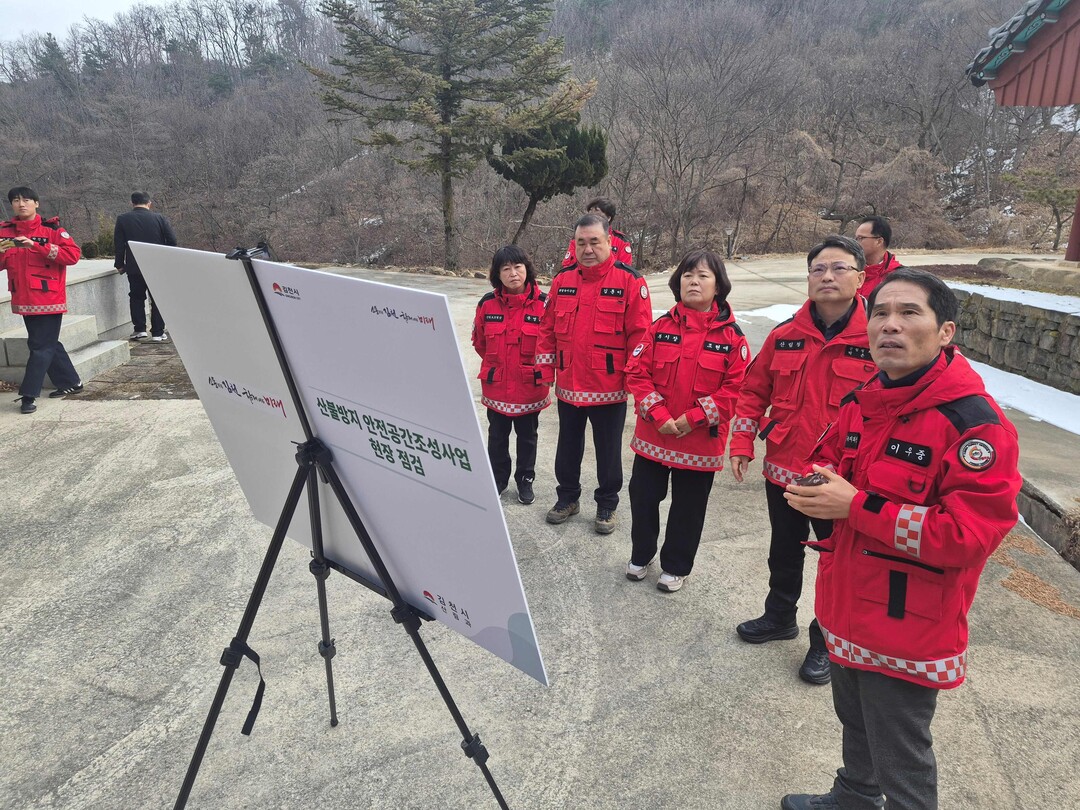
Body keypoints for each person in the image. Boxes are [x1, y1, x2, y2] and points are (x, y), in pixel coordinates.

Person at [780, 269, 1022, 810]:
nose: (890, 325)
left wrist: (857, 506)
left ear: (945, 333)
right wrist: (818, 481)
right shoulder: (865, 402)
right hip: (845, 603)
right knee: (856, 722)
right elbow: (837, 466)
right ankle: (855, 796)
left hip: (906, 623)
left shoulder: (975, 427)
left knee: (902, 754)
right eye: (881, 312)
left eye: (909, 313)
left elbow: (966, 537)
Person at [729, 235, 876, 684]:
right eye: (818, 269)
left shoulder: (879, 338)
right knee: (784, 551)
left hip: (842, 482)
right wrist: (741, 443)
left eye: (839, 268)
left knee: (837, 563)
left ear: (861, 276)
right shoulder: (785, 335)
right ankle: (779, 617)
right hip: (785, 469)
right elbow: (752, 393)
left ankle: (827, 641)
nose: (827, 277)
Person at [624, 249, 750, 592]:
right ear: (678, 283)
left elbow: (735, 390)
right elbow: (637, 373)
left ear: (718, 286)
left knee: (688, 509)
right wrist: (660, 414)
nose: (693, 281)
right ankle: (642, 553)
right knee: (643, 496)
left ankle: (676, 565)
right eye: (687, 275)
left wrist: (692, 419)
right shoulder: (659, 327)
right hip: (654, 434)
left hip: (699, 441)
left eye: (703, 276)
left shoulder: (733, 338)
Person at [536, 213, 652, 533]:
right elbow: (546, 329)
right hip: (569, 383)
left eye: (594, 242)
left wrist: (634, 379)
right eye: (581, 243)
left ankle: (606, 505)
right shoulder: (563, 280)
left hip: (609, 386)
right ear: (574, 245)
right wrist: (546, 368)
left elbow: (640, 337)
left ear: (609, 242)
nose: (588, 249)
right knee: (568, 448)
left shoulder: (630, 281)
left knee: (608, 451)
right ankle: (568, 498)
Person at [472, 245, 550, 505]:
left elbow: (553, 344)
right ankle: (498, 479)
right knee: (497, 436)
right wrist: (499, 365)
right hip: (497, 386)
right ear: (497, 274)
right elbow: (480, 342)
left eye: (518, 267)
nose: (513, 273)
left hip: (530, 386)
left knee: (528, 437)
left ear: (527, 270)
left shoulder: (545, 304)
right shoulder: (487, 304)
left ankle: (525, 480)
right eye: (506, 269)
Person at [0, 187, 83, 414]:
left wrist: (36, 245)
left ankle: (29, 395)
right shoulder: (5, 232)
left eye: (26, 200)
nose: (21, 204)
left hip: (48, 299)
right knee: (46, 343)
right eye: (16, 200)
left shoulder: (52, 230)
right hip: (23, 299)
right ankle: (71, 383)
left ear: (36, 203)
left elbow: (73, 256)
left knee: (39, 346)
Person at [114, 191, 178, 341]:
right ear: (149, 203)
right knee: (158, 298)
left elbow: (119, 244)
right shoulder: (159, 218)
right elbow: (172, 240)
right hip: (157, 266)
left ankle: (139, 329)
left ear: (132, 203)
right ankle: (158, 332)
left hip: (134, 266)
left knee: (136, 296)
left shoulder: (123, 219)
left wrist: (119, 264)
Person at [561, 197, 633, 270]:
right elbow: (568, 266)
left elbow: (625, 270)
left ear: (608, 217)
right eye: (590, 212)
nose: (592, 216)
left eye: (597, 212)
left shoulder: (621, 241)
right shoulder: (578, 239)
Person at [854, 215, 902, 298]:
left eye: (860, 238)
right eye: (856, 238)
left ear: (879, 241)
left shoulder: (898, 277)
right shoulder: (849, 271)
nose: (856, 243)